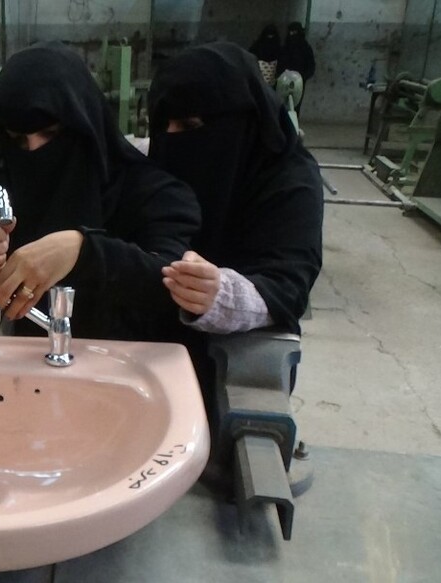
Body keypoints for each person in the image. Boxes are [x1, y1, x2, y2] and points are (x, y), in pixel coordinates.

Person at [147, 42, 323, 473]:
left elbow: (288, 284)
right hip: (153, 349)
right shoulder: (163, 162)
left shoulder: (288, 179)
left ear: (240, 119)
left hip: (235, 351)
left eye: (189, 124)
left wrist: (222, 295)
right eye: (161, 124)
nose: (172, 139)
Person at [0, 41, 200, 342]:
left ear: (84, 122)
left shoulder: (151, 191)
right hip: (30, 365)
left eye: (51, 134)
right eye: (18, 140)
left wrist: (84, 250)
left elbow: (173, 283)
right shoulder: (11, 186)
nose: (34, 152)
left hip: (128, 366)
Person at [277, 21, 316, 114]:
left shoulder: (305, 48)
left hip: (299, 82)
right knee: (282, 104)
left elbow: (311, 66)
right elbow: (280, 63)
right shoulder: (285, 47)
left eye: (294, 32)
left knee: (296, 104)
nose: (292, 35)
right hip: (284, 80)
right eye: (290, 32)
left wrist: (303, 77)